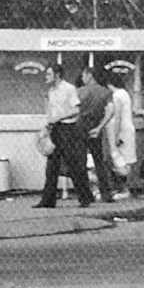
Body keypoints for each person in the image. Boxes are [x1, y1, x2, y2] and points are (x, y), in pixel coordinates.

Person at [35, 64, 95, 208]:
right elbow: (50, 111)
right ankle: (48, 200)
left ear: (57, 75)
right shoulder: (51, 91)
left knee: (73, 164)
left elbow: (76, 109)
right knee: (52, 166)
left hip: (68, 128)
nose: (46, 77)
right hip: (55, 128)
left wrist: (59, 117)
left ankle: (85, 197)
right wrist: (48, 125)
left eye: (49, 74)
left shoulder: (69, 89)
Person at [77, 67, 116, 203]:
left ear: (90, 75)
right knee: (99, 160)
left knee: (80, 161)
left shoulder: (79, 92)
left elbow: (73, 110)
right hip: (96, 126)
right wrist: (100, 127)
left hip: (80, 126)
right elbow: (111, 111)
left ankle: (85, 194)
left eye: (84, 75)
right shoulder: (105, 92)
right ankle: (106, 193)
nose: (82, 78)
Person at [106, 72, 136, 199]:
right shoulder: (125, 93)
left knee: (118, 159)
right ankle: (124, 188)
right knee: (126, 159)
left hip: (121, 130)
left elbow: (117, 116)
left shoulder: (117, 95)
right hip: (128, 128)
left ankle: (123, 189)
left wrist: (116, 134)